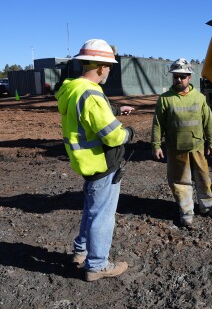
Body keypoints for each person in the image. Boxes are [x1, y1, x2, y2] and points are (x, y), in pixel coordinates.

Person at [55, 39, 135, 282]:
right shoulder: (91, 93)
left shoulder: (73, 88)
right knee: (102, 215)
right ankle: (97, 265)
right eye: (109, 66)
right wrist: (129, 133)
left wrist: (115, 110)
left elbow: (86, 118)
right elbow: (113, 136)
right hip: (102, 163)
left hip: (85, 162)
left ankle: (80, 251)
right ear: (101, 67)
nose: (109, 71)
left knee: (91, 210)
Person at [151, 58, 212, 228]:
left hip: (197, 147)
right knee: (181, 181)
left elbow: (208, 122)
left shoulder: (200, 98)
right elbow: (158, 123)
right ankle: (186, 211)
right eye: (176, 76)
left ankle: (207, 206)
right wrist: (156, 145)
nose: (178, 79)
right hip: (176, 148)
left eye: (182, 76)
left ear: (190, 77)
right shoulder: (165, 99)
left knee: (203, 178)